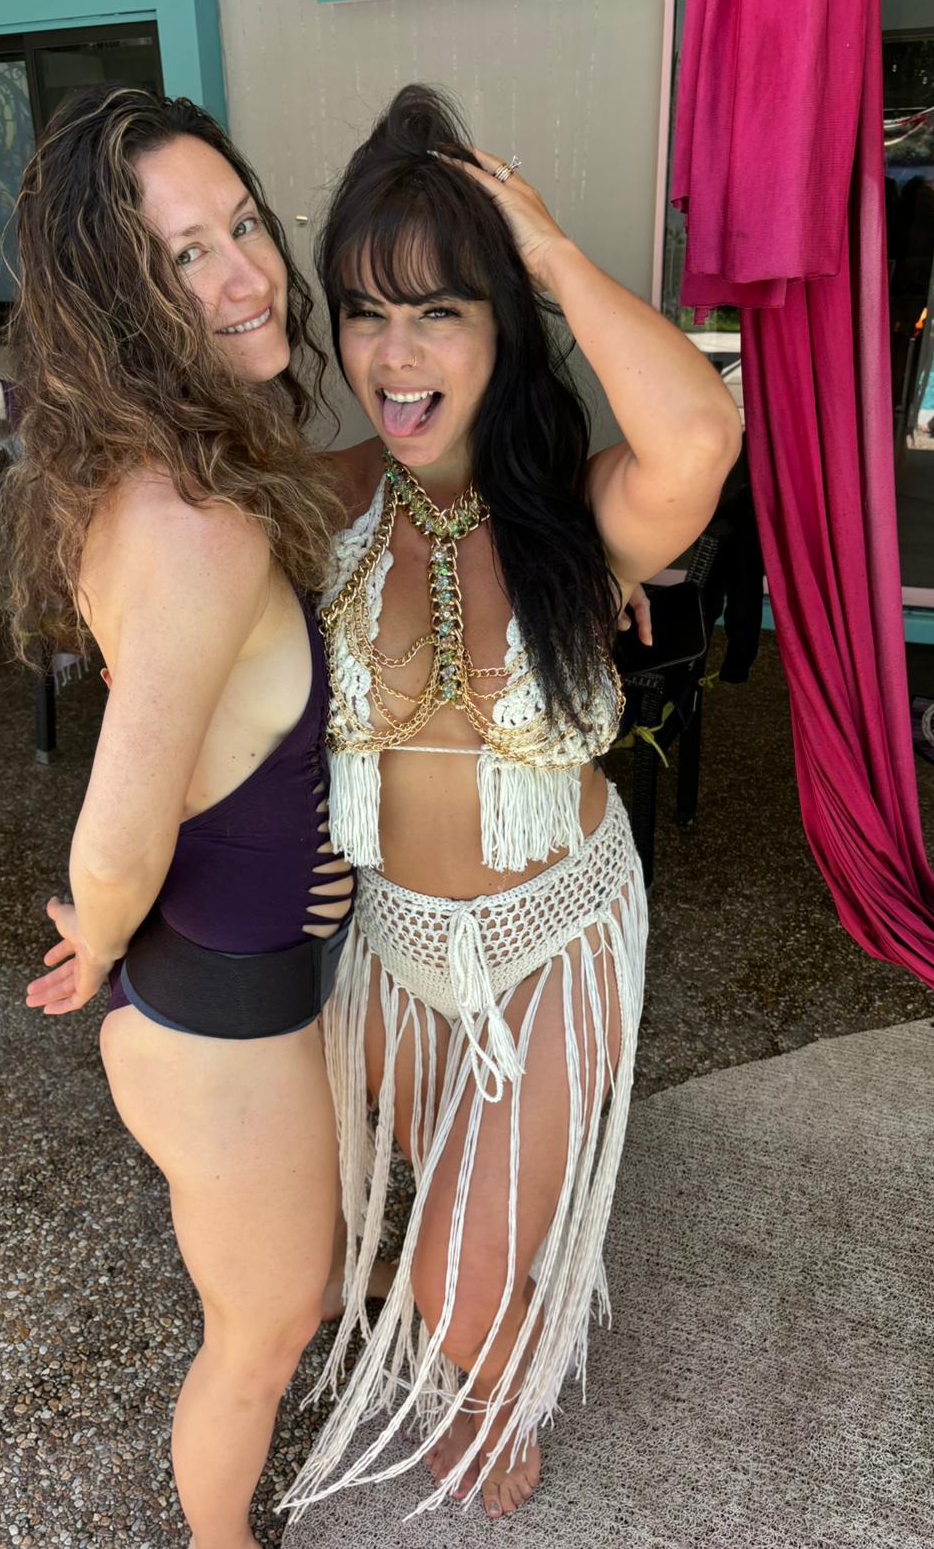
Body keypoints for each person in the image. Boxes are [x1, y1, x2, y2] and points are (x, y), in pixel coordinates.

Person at [283, 85, 742, 1522]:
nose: (394, 354)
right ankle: (499, 1278)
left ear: (505, 328)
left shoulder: (581, 511)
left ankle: (492, 1380)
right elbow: (178, 587)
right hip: (391, 943)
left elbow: (702, 433)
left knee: (455, 1278)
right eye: (365, 313)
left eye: (441, 311)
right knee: (440, 1188)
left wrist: (544, 250)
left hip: (556, 934)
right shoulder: (326, 501)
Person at [0, 85, 355, 1549]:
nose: (245, 272)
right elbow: (120, 818)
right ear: (116, 300)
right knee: (262, 1337)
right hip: (217, 1025)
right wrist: (99, 936)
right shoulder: (195, 526)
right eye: (184, 255)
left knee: (279, 1300)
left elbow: (212, 740)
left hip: (226, 979)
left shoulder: (167, 470)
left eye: (243, 225)